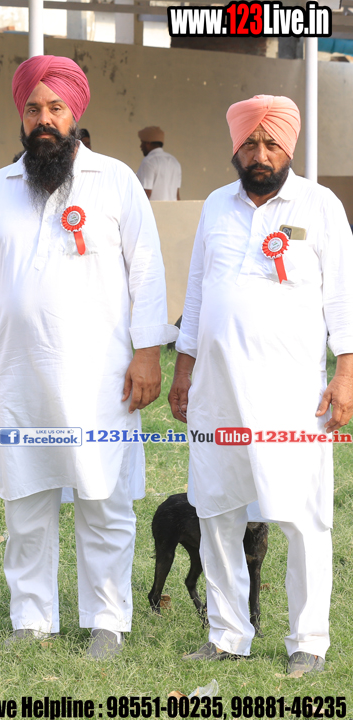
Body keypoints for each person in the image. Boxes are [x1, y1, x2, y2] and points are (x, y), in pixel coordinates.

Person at [0, 56, 177, 660]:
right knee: (26, 498)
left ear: (75, 114)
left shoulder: (115, 180)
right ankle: (31, 617)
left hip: (99, 377)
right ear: (21, 116)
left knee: (102, 497)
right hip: (15, 375)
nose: (43, 119)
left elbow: (147, 273)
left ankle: (107, 619)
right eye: (33, 109)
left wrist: (148, 356)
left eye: (55, 108)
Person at [170, 95, 353, 675]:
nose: (260, 153)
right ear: (235, 146)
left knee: (303, 516)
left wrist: (346, 372)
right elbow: (198, 291)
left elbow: (343, 298)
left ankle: (308, 641)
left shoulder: (319, 206)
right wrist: (183, 368)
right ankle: (227, 634)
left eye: (271, 142)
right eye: (250, 142)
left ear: (288, 147)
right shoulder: (216, 207)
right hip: (217, 393)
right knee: (217, 510)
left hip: (292, 397)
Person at [137, 126, 182, 200]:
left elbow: (146, 193)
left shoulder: (149, 161)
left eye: (142, 142)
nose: (141, 146)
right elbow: (177, 195)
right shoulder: (174, 162)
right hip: (172, 207)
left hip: (153, 207)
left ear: (148, 143)